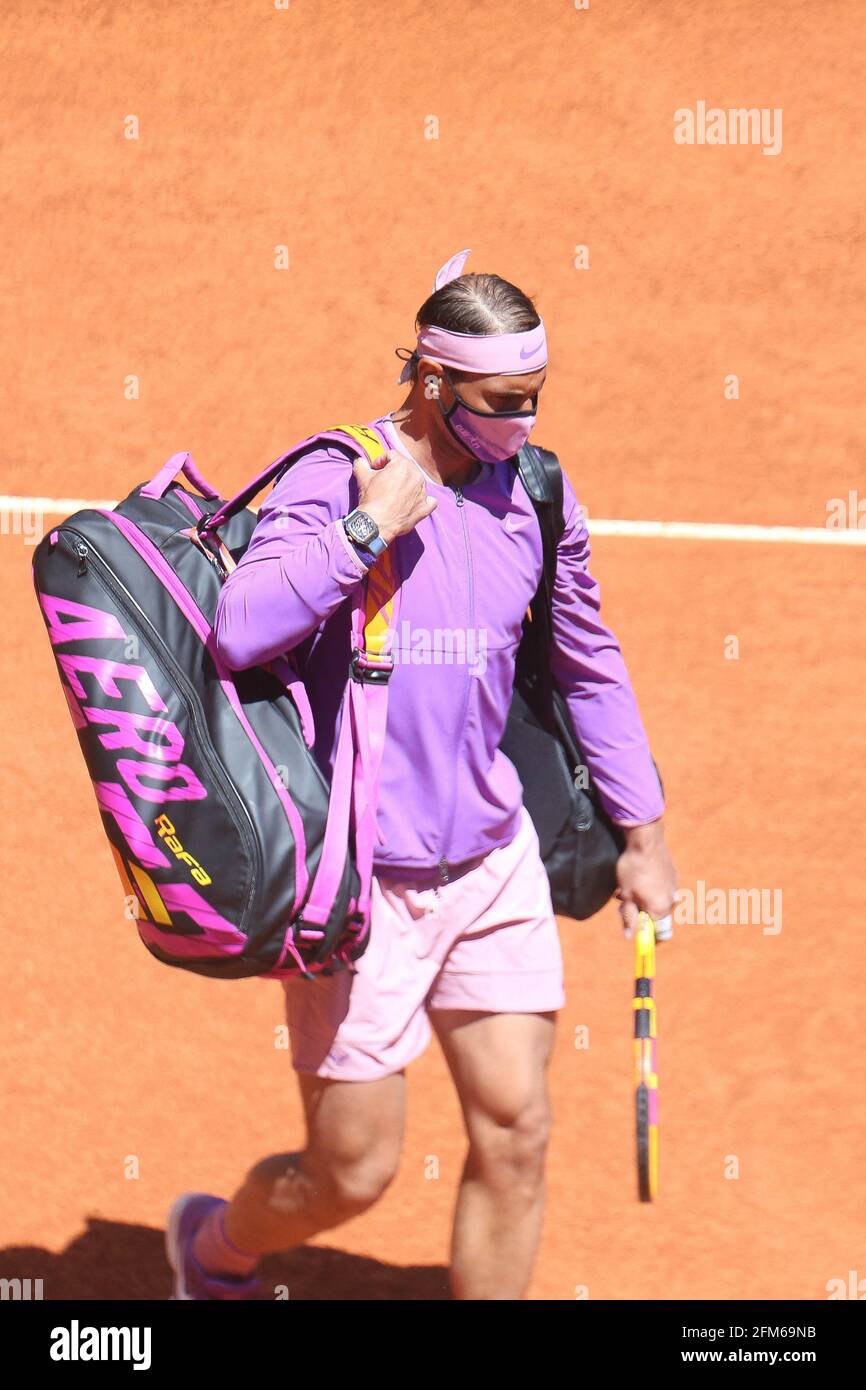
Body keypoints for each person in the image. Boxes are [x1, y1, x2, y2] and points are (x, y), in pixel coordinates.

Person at [165, 249, 677, 1301]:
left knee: (518, 1130)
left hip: (491, 864)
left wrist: (644, 830)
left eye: (534, 399)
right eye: (501, 402)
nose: (522, 423)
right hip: (361, 893)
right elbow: (238, 625)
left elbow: (586, 660)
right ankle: (213, 1247)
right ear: (433, 383)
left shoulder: (530, 490)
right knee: (350, 1171)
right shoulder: (335, 476)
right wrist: (369, 529)